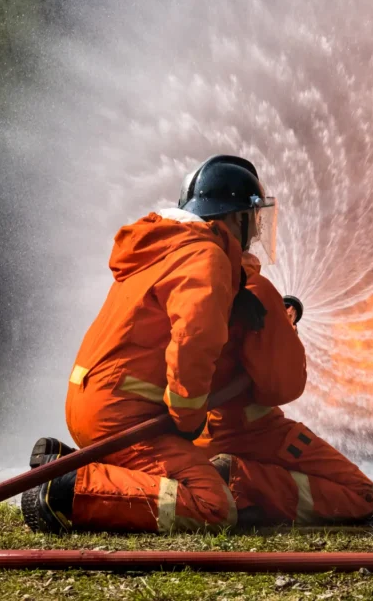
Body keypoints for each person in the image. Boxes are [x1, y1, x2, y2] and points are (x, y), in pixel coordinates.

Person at [21, 155, 277, 534]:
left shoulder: (168, 248)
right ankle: (65, 489)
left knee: (177, 475)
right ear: (235, 217)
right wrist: (188, 417)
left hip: (92, 404)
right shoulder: (205, 256)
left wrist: (234, 292)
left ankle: (69, 463)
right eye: (252, 219)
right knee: (214, 504)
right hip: (123, 418)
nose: (255, 232)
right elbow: (194, 339)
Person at [197, 256, 373, 526]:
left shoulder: (183, 284)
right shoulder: (255, 290)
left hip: (201, 436)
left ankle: (238, 497)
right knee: (362, 495)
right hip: (257, 433)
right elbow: (279, 387)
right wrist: (284, 333)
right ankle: (236, 478)